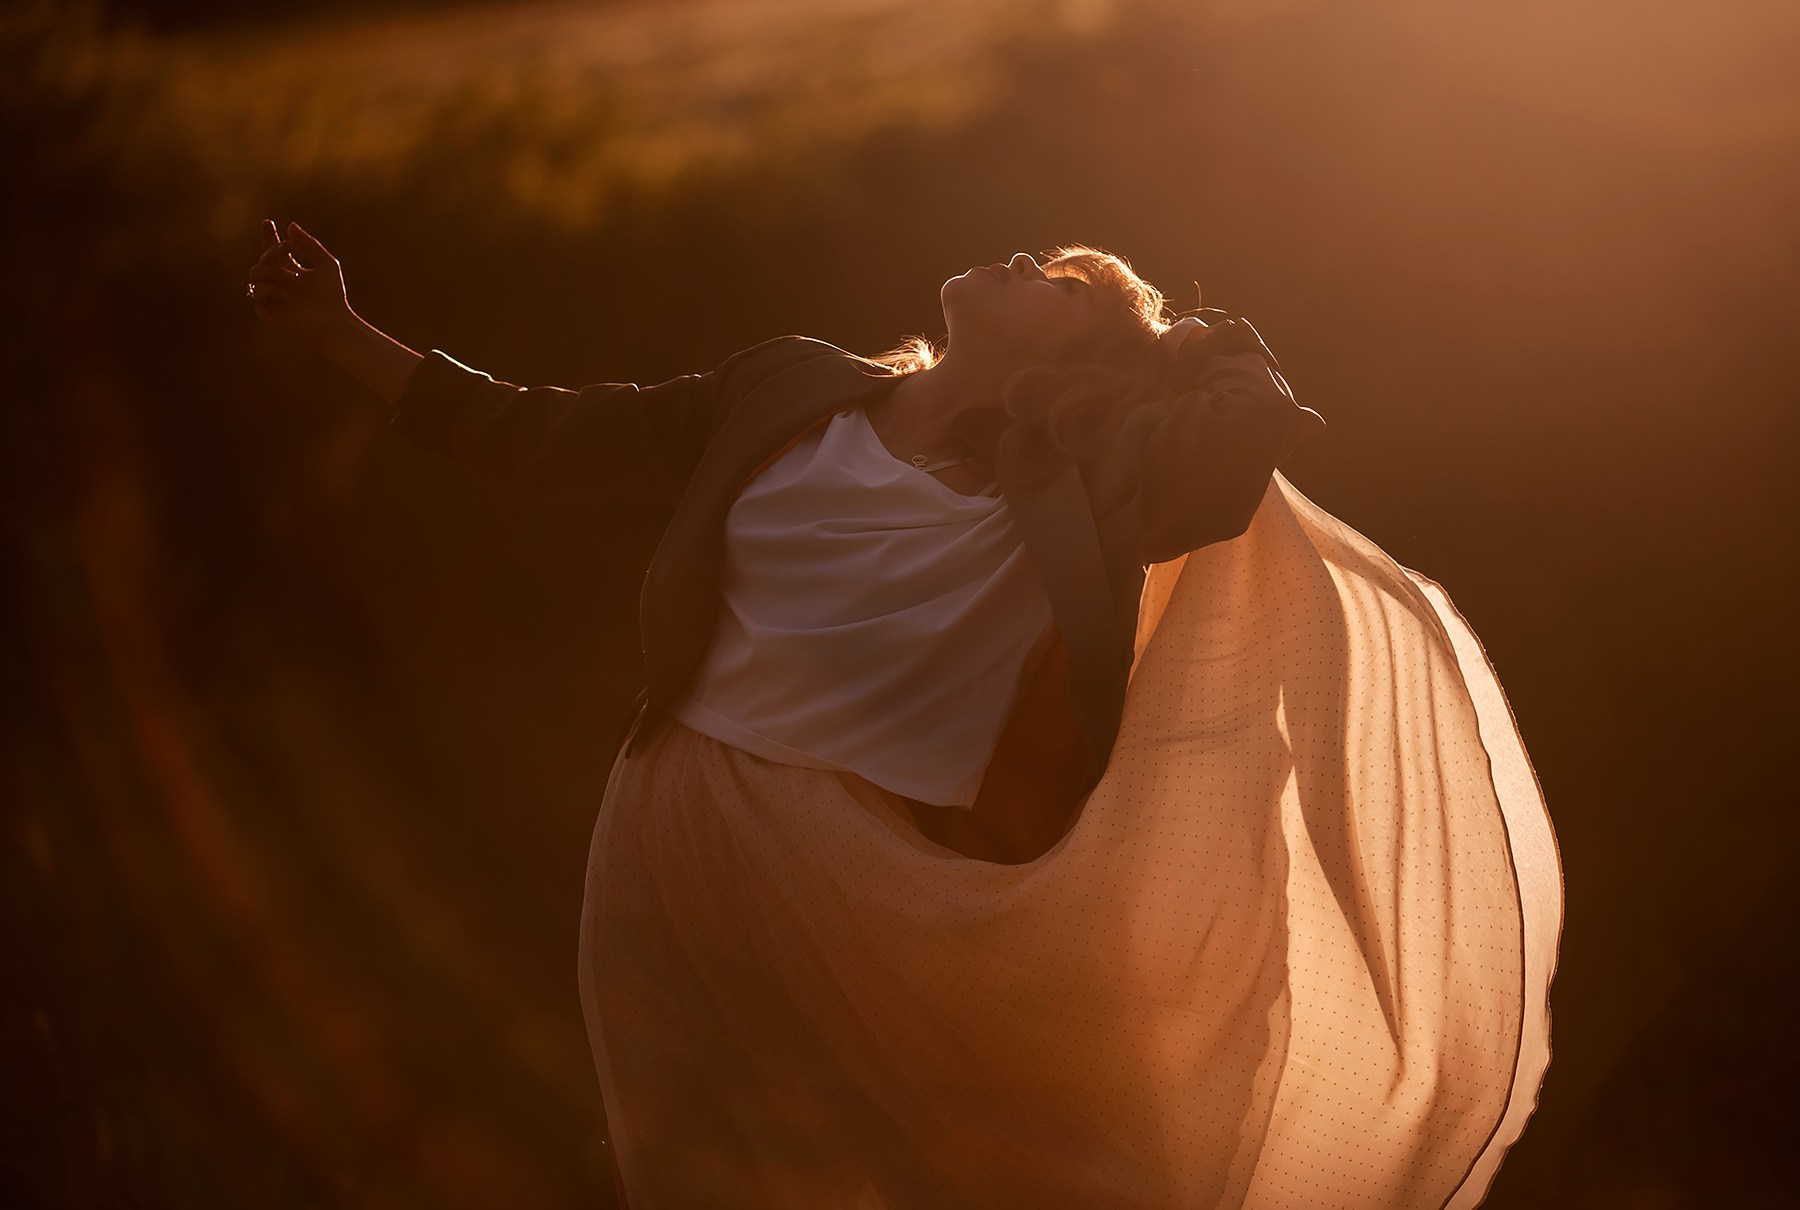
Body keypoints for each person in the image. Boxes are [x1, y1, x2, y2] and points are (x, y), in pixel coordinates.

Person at [248, 220, 1561, 1209]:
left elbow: (1239, 447)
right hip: (661, 839)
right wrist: (340, 334)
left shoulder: (1070, 487)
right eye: (1042, 254)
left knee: (984, 1172)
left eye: (1061, 282)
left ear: (1085, 358)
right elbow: (538, 433)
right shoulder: (787, 386)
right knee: (702, 1178)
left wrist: (1192, 340)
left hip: (869, 877)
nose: (1021, 255)